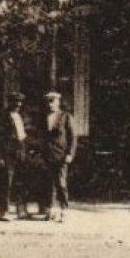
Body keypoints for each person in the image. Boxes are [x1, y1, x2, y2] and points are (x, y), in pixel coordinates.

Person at [40, 91, 77, 223]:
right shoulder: (43, 118)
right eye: (48, 101)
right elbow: (42, 137)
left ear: (58, 102)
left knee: (61, 183)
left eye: (52, 101)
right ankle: (50, 210)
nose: (50, 104)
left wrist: (70, 154)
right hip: (47, 155)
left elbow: (73, 138)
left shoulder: (66, 117)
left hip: (61, 156)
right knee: (48, 184)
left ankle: (64, 210)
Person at [0, 91, 31, 222]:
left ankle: (21, 211)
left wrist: (25, 151)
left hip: (20, 152)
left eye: (20, 102)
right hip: (7, 154)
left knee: (20, 181)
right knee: (6, 183)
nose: (18, 104)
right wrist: (0, 156)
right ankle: (4, 211)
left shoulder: (21, 116)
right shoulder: (3, 117)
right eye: (15, 102)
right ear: (9, 102)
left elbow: (23, 135)